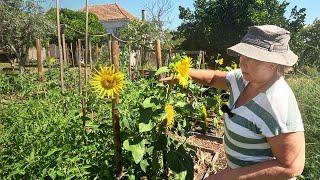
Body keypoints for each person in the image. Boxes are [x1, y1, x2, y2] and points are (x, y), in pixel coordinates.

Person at [162, 25, 305, 179]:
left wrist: (224, 177)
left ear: (273, 63)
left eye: (251, 58)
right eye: (242, 54)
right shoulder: (243, 79)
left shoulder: (277, 104)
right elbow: (214, 78)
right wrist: (183, 74)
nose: (242, 62)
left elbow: (291, 167)